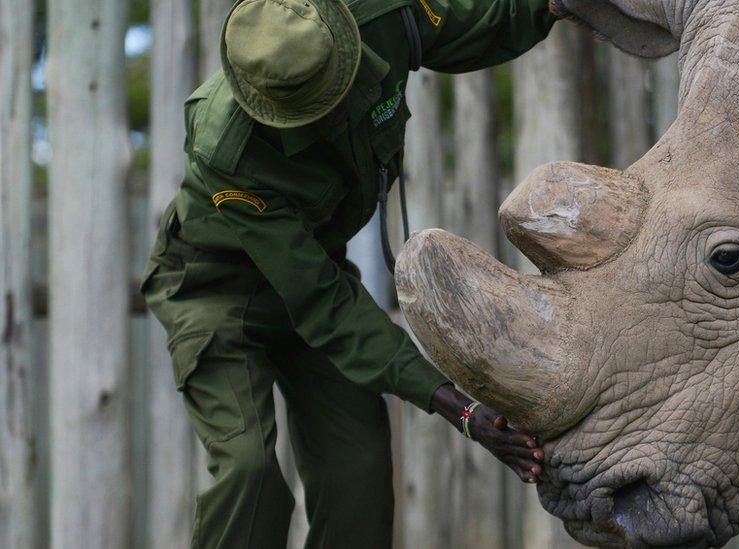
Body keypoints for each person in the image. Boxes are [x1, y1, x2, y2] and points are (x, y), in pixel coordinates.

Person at [139, 0, 562, 546]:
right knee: (248, 474)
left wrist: (552, 6)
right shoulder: (231, 152)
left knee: (358, 471)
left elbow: (470, 26)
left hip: (317, 273)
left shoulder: (375, 16)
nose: (336, 110)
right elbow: (323, 302)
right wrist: (456, 406)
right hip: (216, 291)